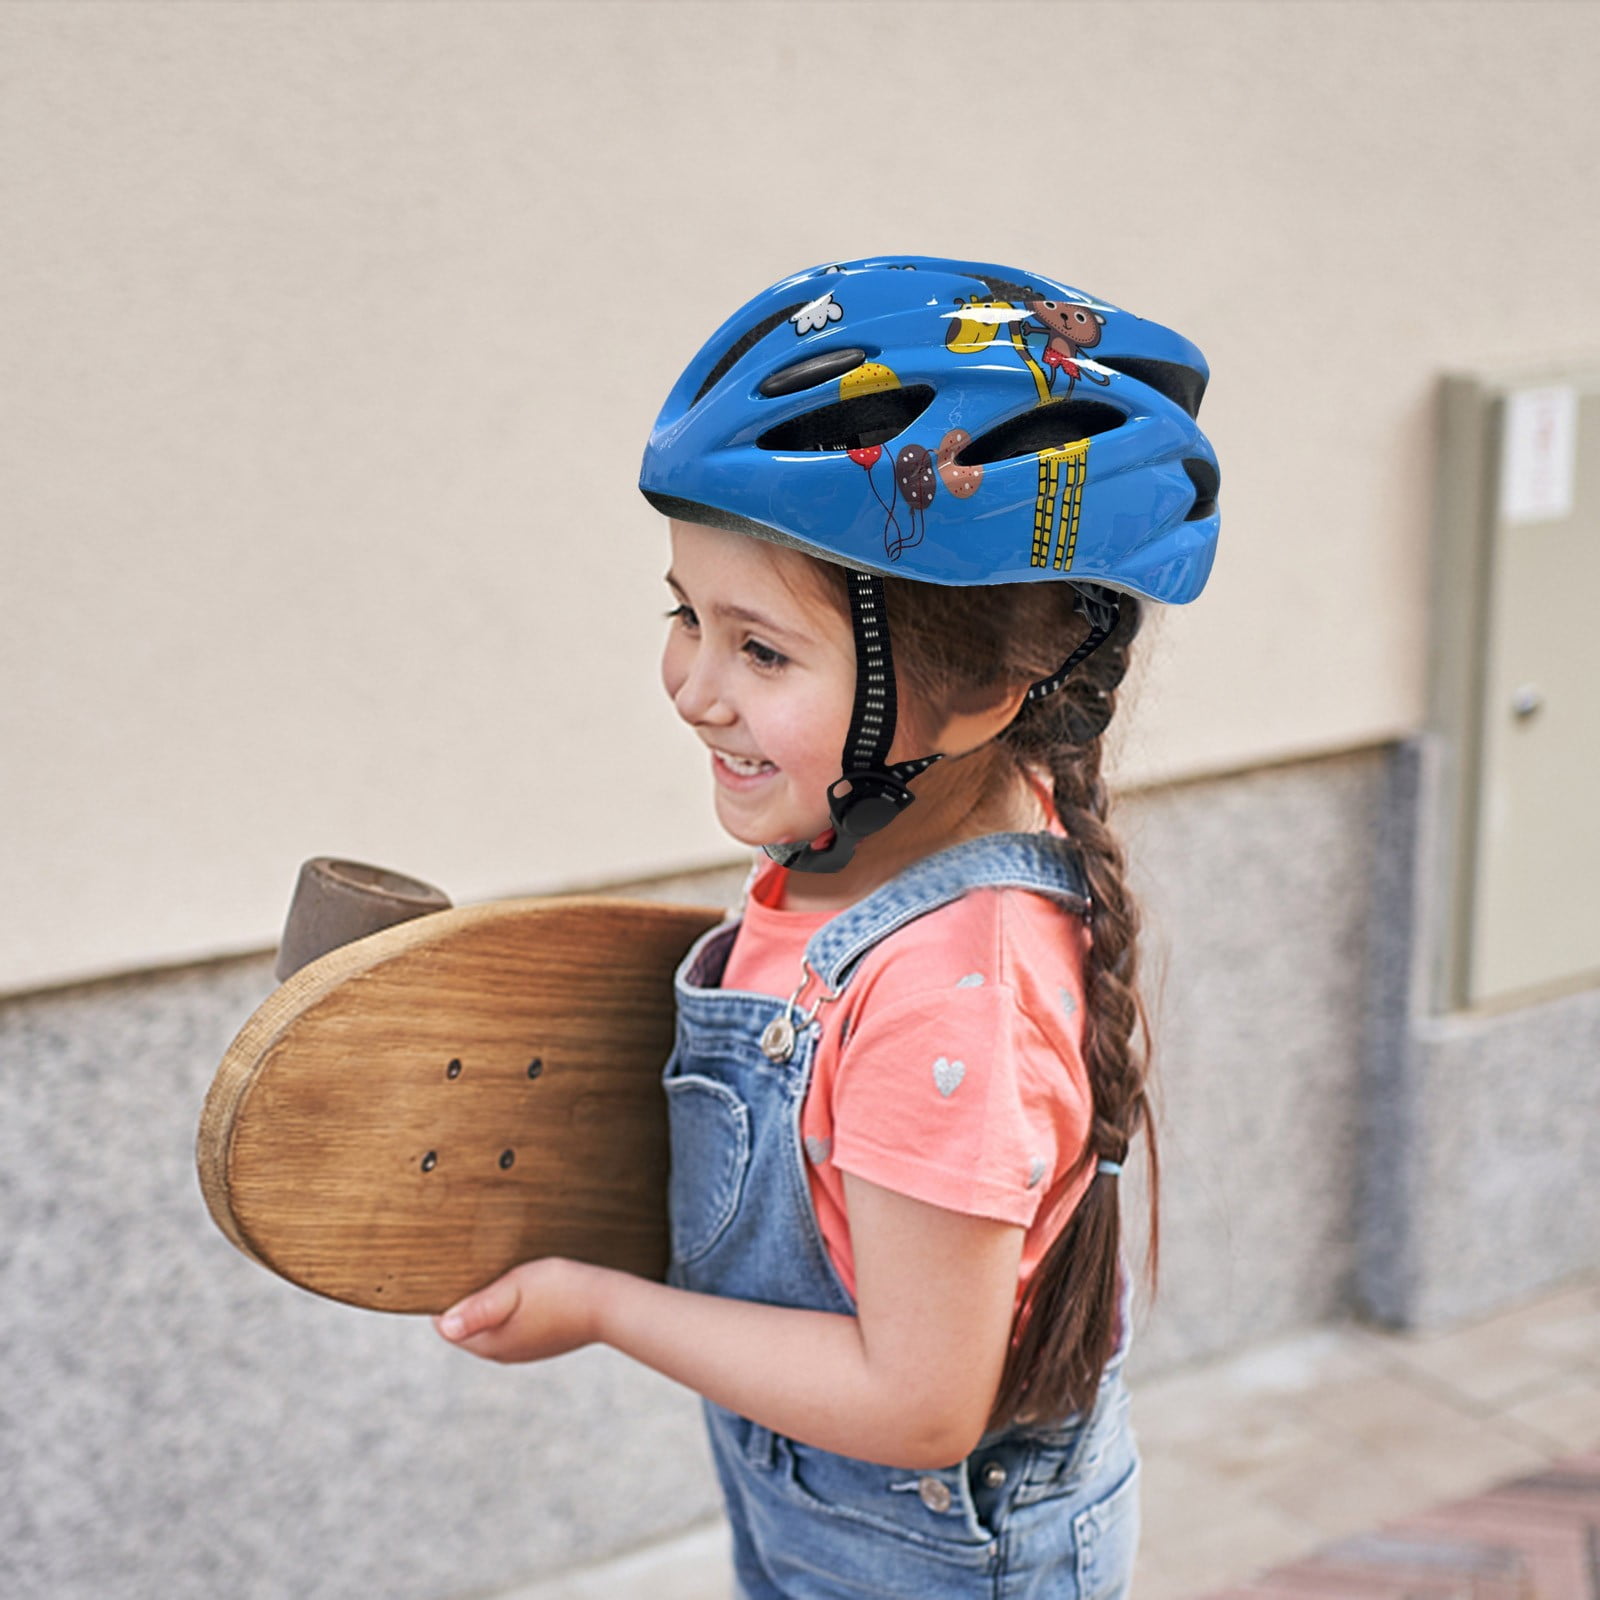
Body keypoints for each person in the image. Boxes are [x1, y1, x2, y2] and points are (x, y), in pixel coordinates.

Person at [435, 256, 1220, 1597]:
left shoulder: (942, 994)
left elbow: (917, 1406)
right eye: (686, 614)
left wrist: (603, 1307)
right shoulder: (866, 842)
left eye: (763, 650)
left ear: (985, 693)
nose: (692, 686)